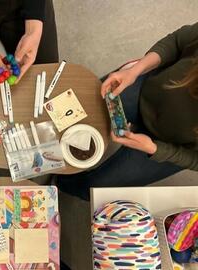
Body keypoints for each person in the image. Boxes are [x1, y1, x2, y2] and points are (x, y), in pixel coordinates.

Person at [57, 22, 198, 200]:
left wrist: (154, 149)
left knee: (96, 189)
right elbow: (178, 41)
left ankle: (62, 184)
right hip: (147, 90)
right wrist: (136, 70)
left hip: (172, 146)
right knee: (73, 112)